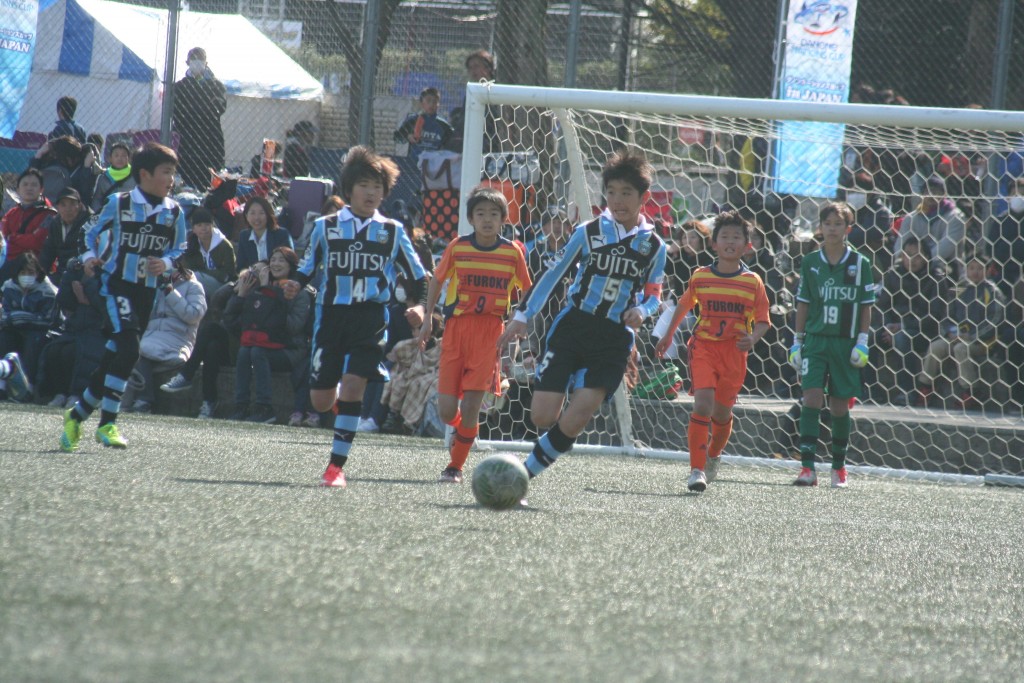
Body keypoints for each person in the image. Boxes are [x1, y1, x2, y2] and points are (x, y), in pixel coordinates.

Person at [495, 149, 667, 483]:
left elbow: (654, 295)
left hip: (614, 340)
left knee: (578, 417)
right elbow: (553, 273)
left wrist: (642, 311)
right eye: (612, 192)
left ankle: (523, 474)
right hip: (573, 327)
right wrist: (522, 315)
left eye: (626, 194)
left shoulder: (654, 245)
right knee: (543, 416)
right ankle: (536, 451)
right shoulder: (588, 232)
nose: (617, 201)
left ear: (643, 198)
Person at [282, 146, 429, 487]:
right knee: (321, 400)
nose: (372, 192)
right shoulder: (325, 227)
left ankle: (336, 467)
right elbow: (307, 267)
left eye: (377, 185)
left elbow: (420, 278)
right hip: (330, 317)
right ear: (348, 189)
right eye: (364, 184)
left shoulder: (392, 231)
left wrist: (421, 306)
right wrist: (295, 284)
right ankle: (334, 397)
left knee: (353, 387)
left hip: (371, 318)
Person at [58, 142, 188, 452]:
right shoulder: (119, 203)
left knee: (115, 356)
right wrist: (90, 257)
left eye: (173, 172)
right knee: (130, 349)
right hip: (116, 286)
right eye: (166, 172)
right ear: (144, 174)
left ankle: (76, 416)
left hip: (146, 292)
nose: (171, 179)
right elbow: (87, 232)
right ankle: (108, 424)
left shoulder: (174, 211)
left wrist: (166, 262)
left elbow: (181, 247)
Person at [417, 186, 532, 483]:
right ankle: (466, 430)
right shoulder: (458, 246)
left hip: (489, 333)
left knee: (471, 406)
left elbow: (529, 290)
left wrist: (521, 319)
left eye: (494, 214)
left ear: (504, 219)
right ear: (470, 218)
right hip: (456, 330)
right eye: (480, 213)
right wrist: (428, 316)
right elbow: (437, 280)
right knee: (446, 412)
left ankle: (454, 466)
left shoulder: (512, 252)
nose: (487, 219)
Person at [654, 211, 770, 491]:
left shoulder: (752, 281)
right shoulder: (701, 276)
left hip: (734, 355)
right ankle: (696, 469)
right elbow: (682, 306)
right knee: (702, 404)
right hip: (704, 348)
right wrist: (669, 336)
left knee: (721, 414)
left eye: (736, 237)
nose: (730, 242)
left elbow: (765, 320)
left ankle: (714, 455)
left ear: (747, 245)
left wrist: (752, 338)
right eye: (724, 237)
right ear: (714, 244)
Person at [787, 201, 875, 488]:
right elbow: (803, 303)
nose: (833, 228)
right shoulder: (811, 262)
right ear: (820, 227)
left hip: (845, 343)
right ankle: (807, 468)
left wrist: (862, 341)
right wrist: (797, 342)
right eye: (828, 223)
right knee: (811, 398)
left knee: (839, 406)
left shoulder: (860, 263)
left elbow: (865, 306)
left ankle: (838, 468)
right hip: (815, 341)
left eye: (839, 223)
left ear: (848, 228)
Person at [224, 248, 313, 424]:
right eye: (273, 260)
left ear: (291, 266)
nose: (275, 264)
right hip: (264, 344)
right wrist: (243, 295)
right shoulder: (260, 288)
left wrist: (269, 294)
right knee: (245, 352)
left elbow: (293, 327)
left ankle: (265, 408)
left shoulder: (300, 293)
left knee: (257, 352)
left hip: (290, 349)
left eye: (281, 260)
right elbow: (238, 321)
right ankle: (241, 406)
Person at [916, 255, 1005, 410]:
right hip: (956, 336)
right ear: (965, 270)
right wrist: (950, 333)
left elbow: (995, 320)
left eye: (979, 268)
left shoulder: (993, 291)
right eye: (971, 268)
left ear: (988, 270)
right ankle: (925, 387)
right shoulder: (959, 288)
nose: (975, 272)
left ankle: (970, 391)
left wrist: (971, 336)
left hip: (981, 342)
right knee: (936, 346)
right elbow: (946, 315)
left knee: (960, 349)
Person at [875, 236, 951, 406]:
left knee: (903, 337)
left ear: (926, 256)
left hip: (924, 333)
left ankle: (907, 391)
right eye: (907, 255)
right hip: (894, 328)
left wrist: (903, 326)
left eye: (917, 256)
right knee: (870, 337)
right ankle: (870, 390)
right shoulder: (893, 275)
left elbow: (935, 315)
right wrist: (887, 327)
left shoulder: (936, 278)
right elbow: (883, 306)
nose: (912, 260)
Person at [127, 261, 207, 413]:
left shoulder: (194, 287)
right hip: (152, 335)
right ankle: (128, 400)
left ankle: (144, 400)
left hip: (177, 338)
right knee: (130, 348)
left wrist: (170, 291)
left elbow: (193, 315)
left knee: (140, 351)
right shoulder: (153, 285)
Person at [0, 253, 58, 396]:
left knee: (34, 339)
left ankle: (28, 385)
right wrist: (18, 318)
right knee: (5, 336)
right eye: (23, 272)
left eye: (31, 272)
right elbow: (4, 315)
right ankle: (2, 383)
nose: (26, 276)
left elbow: (48, 320)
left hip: (44, 331)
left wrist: (19, 317)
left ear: (38, 272)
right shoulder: (9, 287)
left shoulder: (47, 291)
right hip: (15, 329)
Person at [172, 47, 227, 191]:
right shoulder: (180, 87)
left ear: (206, 62)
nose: (197, 62)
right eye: (193, 59)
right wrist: (204, 105)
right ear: (187, 62)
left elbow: (218, 108)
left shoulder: (216, 86)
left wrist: (194, 106)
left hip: (210, 141)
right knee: (185, 184)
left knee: (209, 183)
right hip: (186, 142)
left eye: (200, 59)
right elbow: (177, 112)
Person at [893, 174, 966, 279]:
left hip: (945, 267)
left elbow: (945, 249)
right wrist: (903, 260)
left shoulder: (955, 217)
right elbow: (901, 244)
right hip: (913, 264)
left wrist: (922, 261)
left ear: (944, 194)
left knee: (937, 275)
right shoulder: (912, 217)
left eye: (936, 192)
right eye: (928, 191)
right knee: (895, 273)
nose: (932, 195)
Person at [0, 168, 56, 286]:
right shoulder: (12, 212)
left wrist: (13, 238)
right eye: (25, 184)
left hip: (35, 264)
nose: (29, 188)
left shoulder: (49, 214)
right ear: (18, 189)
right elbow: (3, 239)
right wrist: (18, 239)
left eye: (34, 185)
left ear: (41, 189)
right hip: (9, 261)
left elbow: (36, 242)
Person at [180, 206, 237, 296]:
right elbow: (187, 267)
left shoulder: (224, 245)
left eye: (207, 224)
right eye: (199, 225)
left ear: (212, 225)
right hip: (199, 281)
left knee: (196, 277)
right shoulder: (191, 243)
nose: (203, 228)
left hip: (223, 286)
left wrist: (203, 272)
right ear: (194, 229)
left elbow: (228, 274)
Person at [39, 187, 91, 284]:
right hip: (61, 272)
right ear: (57, 207)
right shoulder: (55, 224)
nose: (68, 209)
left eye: (72, 204)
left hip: (83, 272)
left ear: (79, 205)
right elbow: (48, 252)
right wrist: (39, 274)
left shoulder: (90, 222)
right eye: (63, 205)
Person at [31, 135, 97, 208]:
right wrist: (39, 155)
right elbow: (30, 179)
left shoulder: (80, 169)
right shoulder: (47, 163)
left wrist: (87, 167)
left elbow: (86, 194)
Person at [393, 87, 455, 162]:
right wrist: (408, 136)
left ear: (438, 105)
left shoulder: (443, 125)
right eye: (428, 101)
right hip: (414, 162)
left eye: (435, 102)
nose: (431, 104)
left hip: (434, 164)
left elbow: (452, 144)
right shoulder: (413, 120)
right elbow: (397, 138)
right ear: (422, 103)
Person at [235, 196, 292, 272]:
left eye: (261, 213)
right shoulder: (244, 236)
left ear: (268, 215)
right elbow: (241, 266)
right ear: (246, 216)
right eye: (252, 213)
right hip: (252, 280)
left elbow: (289, 264)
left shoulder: (281, 235)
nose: (256, 218)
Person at [91, 141, 137, 213]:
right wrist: (99, 214)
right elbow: (97, 200)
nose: (120, 159)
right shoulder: (103, 177)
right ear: (110, 159)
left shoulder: (135, 176)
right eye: (116, 155)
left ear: (129, 159)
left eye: (123, 156)